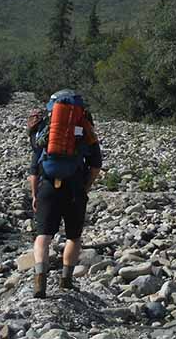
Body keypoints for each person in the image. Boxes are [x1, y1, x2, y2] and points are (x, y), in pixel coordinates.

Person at [27, 90, 103, 299]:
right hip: (75, 187)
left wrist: (35, 194)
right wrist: (85, 187)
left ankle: (39, 282)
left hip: (48, 186)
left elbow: (34, 169)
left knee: (43, 236)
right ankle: (66, 281)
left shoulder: (46, 129)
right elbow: (96, 165)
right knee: (74, 236)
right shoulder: (85, 129)